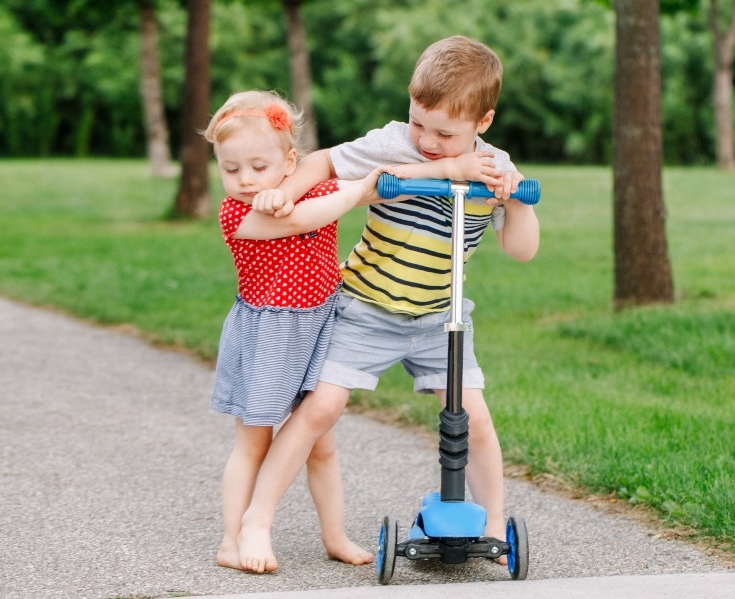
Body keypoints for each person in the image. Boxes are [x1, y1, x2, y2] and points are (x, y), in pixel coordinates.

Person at [236, 35, 539, 570]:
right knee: (320, 410)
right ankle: (256, 524)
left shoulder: (495, 167)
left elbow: (521, 251)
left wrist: (517, 205)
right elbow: (326, 162)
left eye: (445, 133)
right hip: (366, 309)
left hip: (440, 319)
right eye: (418, 122)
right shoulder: (393, 143)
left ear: (483, 123)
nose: (426, 139)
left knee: (475, 417)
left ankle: (493, 527)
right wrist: (288, 189)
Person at [204, 90, 383, 572]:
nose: (243, 179)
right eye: (230, 167)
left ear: (290, 161)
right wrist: (347, 193)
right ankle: (230, 540)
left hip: (322, 326)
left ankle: (335, 535)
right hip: (267, 334)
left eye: (258, 167)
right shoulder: (236, 214)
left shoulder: (317, 188)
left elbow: (350, 184)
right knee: (254, 442)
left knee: (320, 441)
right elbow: (308, 218)